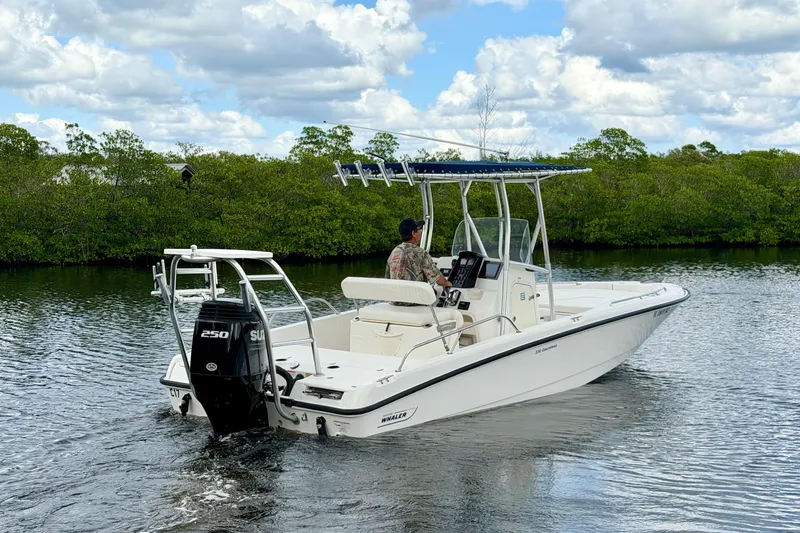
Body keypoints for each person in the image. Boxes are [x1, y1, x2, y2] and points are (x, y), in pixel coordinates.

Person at [386, 218, 452, 305]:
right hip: (415, 302)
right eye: (419, 229)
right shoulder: (421, 253)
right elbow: (438, 280)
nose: (421, 231)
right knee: (436, 293)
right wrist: (448, 283)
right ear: (413, 233)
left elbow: (387, 279)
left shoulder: (394, 252)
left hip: (396, 302)